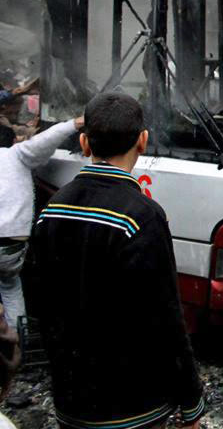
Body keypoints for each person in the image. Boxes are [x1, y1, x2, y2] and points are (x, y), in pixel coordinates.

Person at [28, 93, 205, 429]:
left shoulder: (52, 207)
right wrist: (192, 402)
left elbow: (39, 302)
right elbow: (166, 319)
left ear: (84, 143)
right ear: (143, 141)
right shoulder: (142, 217)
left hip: (72, 402)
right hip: (134, 407)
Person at [0, 117, 80, 330]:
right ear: (14, 142)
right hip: (11, 245)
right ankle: (17, 341)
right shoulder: (16, 154)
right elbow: (46, 139)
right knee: (10, 286)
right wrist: (75, 123)